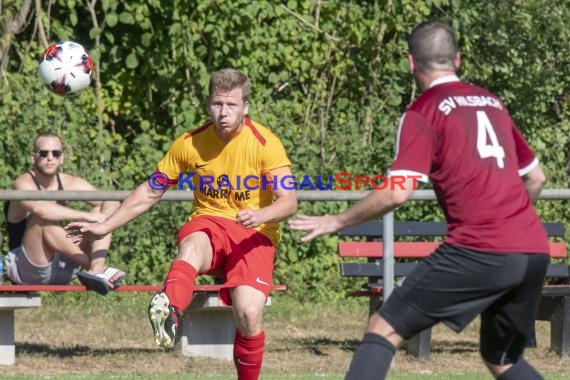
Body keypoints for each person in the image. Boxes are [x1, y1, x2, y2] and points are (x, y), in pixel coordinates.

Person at [289, 21, 549, 380]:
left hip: (479, 247)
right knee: (502, 357)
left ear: (411, 63)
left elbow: (397, 192)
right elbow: (536, 178)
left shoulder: (424, 111)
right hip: (533, 247)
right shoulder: (492, 103)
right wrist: (511, 222)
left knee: (383, 328)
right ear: (456, 59)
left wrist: (336, 221)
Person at [67, 68, 298, 380]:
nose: (224, 113)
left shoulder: (266, 144)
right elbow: (150, 190)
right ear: (208, 105)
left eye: (231, 105)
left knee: (249, 313)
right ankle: (169, 310)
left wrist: (260, 215)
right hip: (210, 224)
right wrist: (105, 226)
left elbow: (289, 201)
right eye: (217, 104)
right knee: (191, 245)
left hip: (255, 233)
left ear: (246, 107)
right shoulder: (189, 143)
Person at [3, 132, 126, 295]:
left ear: (62, 158)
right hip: (29, 268)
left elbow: (112, 202)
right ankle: (95, 268)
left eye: (55, 153)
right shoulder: (24, 182)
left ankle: (97, 268)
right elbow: (41, 210)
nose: (49, 158)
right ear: (33, 157)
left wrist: (100, 220)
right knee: (41, 220)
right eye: (43, 153)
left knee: (101, 209)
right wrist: (86, 216)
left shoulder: (70, 182)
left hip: (64, 263)